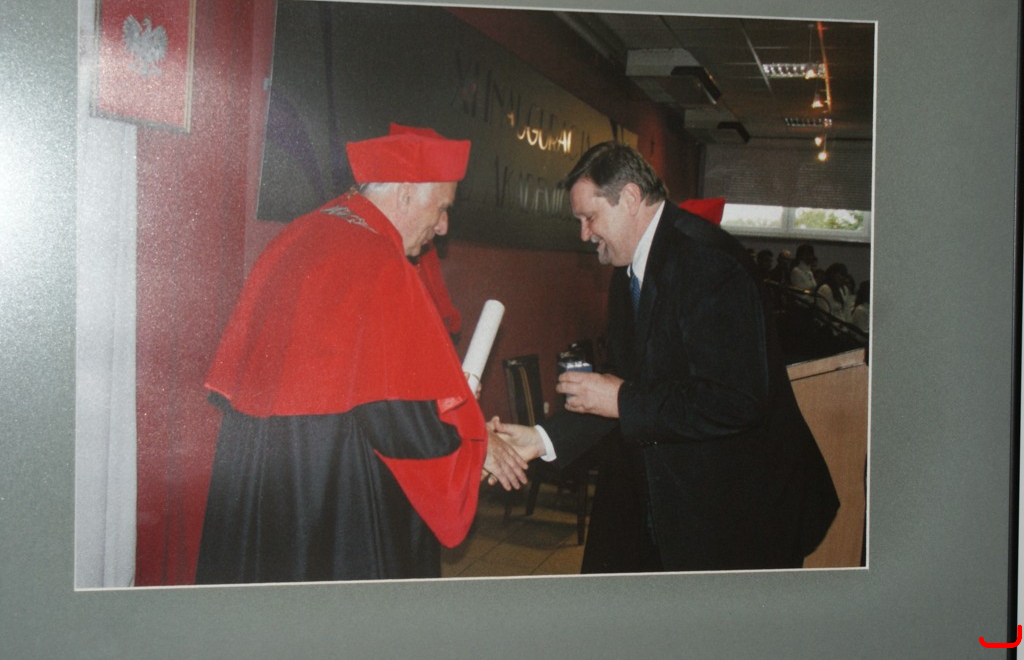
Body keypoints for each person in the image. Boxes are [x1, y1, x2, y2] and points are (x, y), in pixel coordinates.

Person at [194, 124, 528, 584]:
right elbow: (402, 421)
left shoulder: (302, 231)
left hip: (262, 478)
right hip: (333, 494)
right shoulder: (378, 262)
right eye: (443, 208)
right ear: (406, 192)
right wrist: (470, 449)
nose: (443, 226)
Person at [494, 141, 839, 573]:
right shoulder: (628, 269)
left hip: (739, 511)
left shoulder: (709, 262)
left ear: (630, 198)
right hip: (669, 492)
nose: (584, 234)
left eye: (589, 218)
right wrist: (542, 439)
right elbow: (622, 386)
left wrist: (623, 400)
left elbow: (737, 399)